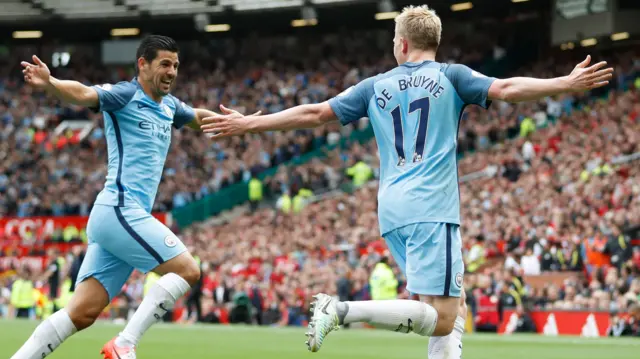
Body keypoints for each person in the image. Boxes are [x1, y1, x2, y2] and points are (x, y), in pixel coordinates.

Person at [200, 5, 613, 358]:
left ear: (401, 44)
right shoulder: (451, 75)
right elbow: (505, 88)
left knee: (450, 301)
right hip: (432, 207)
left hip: (393, 210)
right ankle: (341, 311)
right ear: (433, 42)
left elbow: (314, 114)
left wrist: (250, 123)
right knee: (442, 317)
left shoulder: (374, 85)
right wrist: (565, 82)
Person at [12, 35, 253, 359]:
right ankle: (125, 343)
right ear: (143, 64)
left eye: (176, 66)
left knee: (81, 314)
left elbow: (196, 116)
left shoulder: (169, 106)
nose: (172, 72)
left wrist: (237, 122)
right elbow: (85, 94)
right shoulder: (125, 94)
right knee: (188, 271)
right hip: (119, 210)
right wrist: (51, 82)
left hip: (120, 220)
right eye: (165, 64)